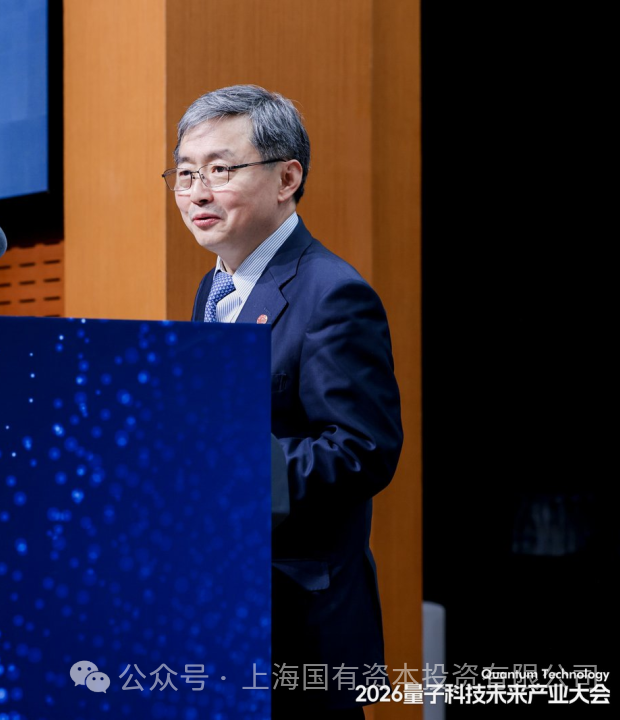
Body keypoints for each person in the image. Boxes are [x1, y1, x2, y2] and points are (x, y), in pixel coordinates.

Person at [165, 85, 403, 716]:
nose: (197, 192)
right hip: (224, 608)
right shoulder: (214, 289)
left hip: (299, 622)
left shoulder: (333, 294)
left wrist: (229, 469)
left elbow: (363, 450)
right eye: (185, 174)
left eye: (220, 170)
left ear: (287, 178)